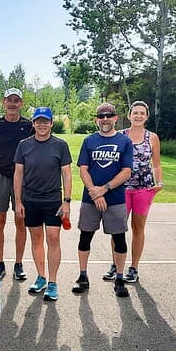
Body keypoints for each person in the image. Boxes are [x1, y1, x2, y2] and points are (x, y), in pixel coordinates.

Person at [72, 102, 133, 298]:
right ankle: (82, 276)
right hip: (90, 199)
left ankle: (120, 278)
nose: (105, 119)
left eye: (109, 115)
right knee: (85, 238)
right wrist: (94, 192)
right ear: (96, 120)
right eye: (101, 116)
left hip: (115, 199)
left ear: (116, 118)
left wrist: (104, 190)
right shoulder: (89, 141)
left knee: (119, 239)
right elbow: (83, 169)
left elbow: (126, 171)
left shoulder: (124, 142)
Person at [14, 107, 72, 301]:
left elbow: (67, 174)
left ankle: (53, 283)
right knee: (36, 239)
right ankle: (41, 277)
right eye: (38, 121)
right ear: (33, 123)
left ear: (51, 124)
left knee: (53, 238)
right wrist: (19, 201)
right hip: (30, 200)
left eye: (45, 121)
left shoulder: (60, 145)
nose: (41, 125)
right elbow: (18, 174)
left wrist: (67, 202)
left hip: (53, 201)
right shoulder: (23, 145)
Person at [103, 100, 164, 283]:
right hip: (121, 189)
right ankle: (115, 265)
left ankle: (133, 268)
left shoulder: (152, 137)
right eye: (135, 112)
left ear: (146, 116)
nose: (138, 116)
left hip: (143, 189)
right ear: (129, 116)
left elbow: (157, 164)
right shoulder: (120, 136)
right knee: (117, 229)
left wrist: (159, 181)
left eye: (142, 113)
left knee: (138, 229)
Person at [0, 88, 33, 281]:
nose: (13, 104)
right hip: (1, 177)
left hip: (22, 179)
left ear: (21, 103)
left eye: (16, 100)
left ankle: (19, 263)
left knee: (20, 221)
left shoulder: (29, 125)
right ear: (4, 102)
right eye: (9, 100)